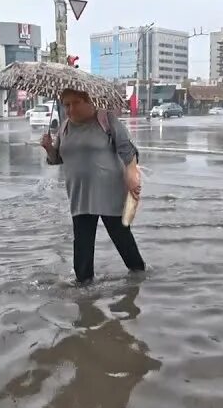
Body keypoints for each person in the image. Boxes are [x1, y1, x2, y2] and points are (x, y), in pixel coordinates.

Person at [40, 88, 145, 285]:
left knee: (122, 238)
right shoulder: (64, 128)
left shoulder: (106, 120)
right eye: (66, 105)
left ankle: (139, 275)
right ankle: (84, 288)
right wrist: (48, 148)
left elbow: (127, 149)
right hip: (80, 195)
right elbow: (57, 160)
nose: (70, 109)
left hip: (110, 192)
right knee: (82, 245)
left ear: (89, 102)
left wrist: (132, 175)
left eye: (76, 103)